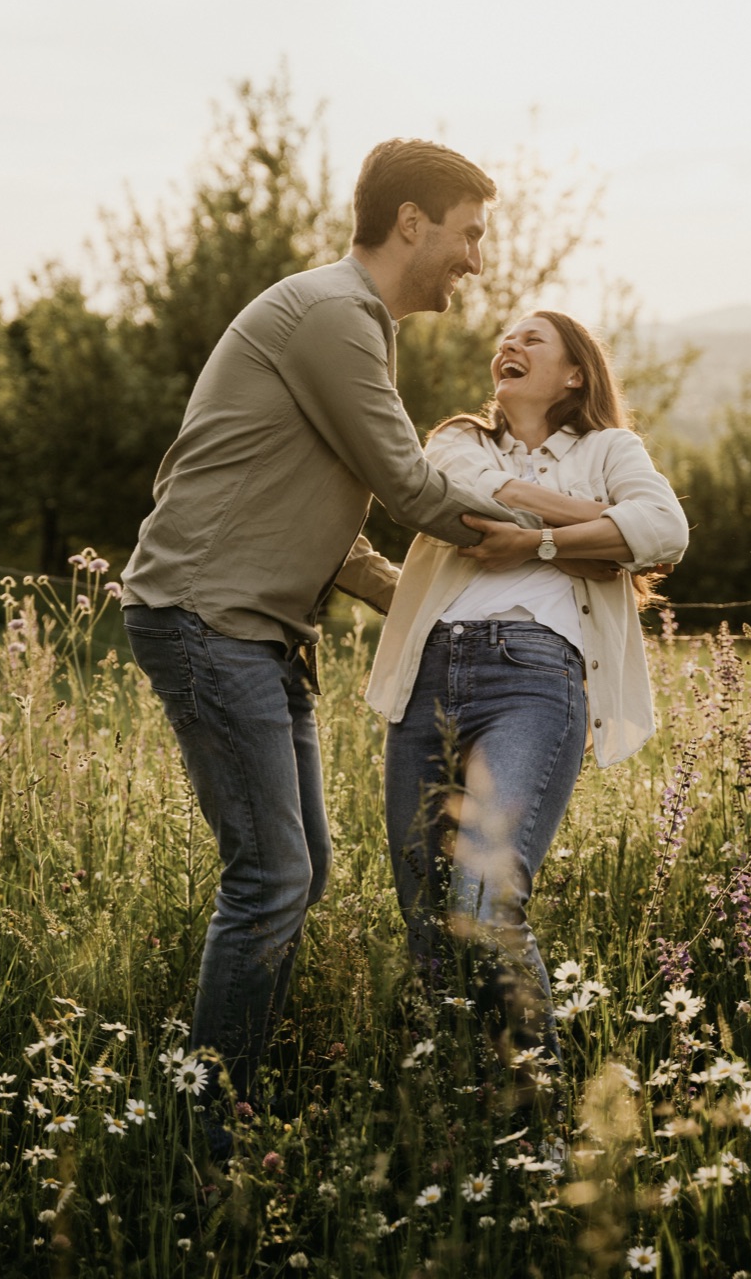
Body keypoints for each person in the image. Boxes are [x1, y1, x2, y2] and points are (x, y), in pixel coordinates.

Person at [120, 139, 540, 1134]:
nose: (475, 259)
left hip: (254, 630)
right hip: (205, 617)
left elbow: (344, 531)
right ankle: (207, 1131)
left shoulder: (343, 323)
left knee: (299, 863)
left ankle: (231, 1098)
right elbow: (412, 487)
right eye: (469, 233)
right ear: (411, 223)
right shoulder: (334, 315)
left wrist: (416, 602)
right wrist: (562, 543)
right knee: (271, 877)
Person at [365, 310, 689, 1091]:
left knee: (483, 890)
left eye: (531, 339)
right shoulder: (458, 440)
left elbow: (664, 529)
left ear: (575, 373)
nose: (507, 343)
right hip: (431, 674)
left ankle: (537, 1100)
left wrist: (538, 544)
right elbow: (460, 493)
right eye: (502, 336)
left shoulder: (613, 449)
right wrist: (596, 529)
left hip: (535, 675)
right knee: (426, 910)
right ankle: (456, 1100)